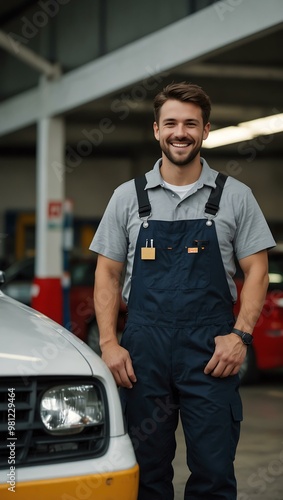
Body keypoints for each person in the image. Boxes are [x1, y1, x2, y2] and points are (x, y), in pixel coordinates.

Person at [89, 82, 275, 500]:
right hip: (143, 355)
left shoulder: (235, 197)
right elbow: (107, 274)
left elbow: (257, 271)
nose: (180, 132)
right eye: (170, 122)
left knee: (213, 471)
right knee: (145, 472)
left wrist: (240, 336)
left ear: (205, 130)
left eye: (190, 124)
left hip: (211, 354)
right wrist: (108, 343)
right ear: (156, 130)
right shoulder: (127, 198)